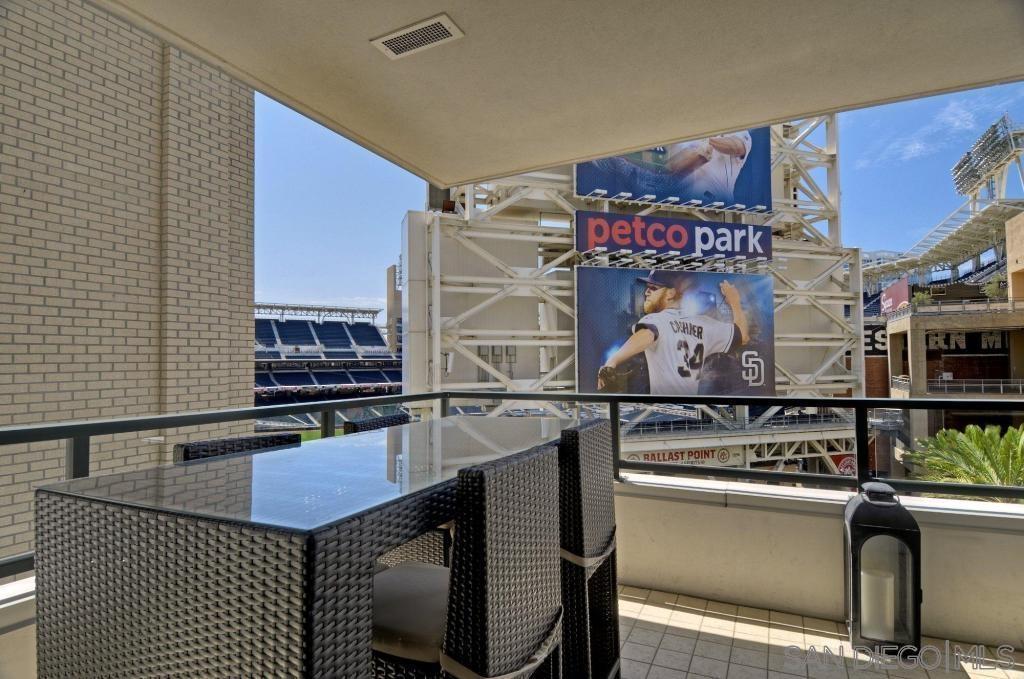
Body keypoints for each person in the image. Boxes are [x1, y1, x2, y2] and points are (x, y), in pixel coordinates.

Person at [597, 270, 749, 395]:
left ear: (670, 293)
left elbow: (648, 334)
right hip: (691, 406)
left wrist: (612, 362)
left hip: (664, 408)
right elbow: (743, 336)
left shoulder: (658, 319)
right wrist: (734, 301)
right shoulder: (704, 323)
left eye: (653, 288)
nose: (646, 292)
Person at [664, 131, 752, 205]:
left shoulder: (738, 130)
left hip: (718, 205)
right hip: (684, 203)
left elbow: (736, 147)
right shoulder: (690, 134)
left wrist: (708, 139)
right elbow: (671, 168)